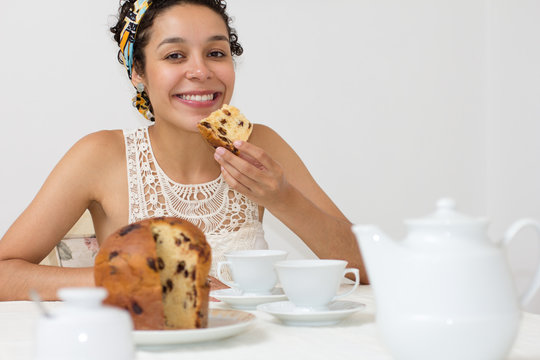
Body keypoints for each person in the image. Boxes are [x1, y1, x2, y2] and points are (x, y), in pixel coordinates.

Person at [0, 0, 367, 301]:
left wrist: (284, 198)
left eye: (216, 52)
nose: (200, 70)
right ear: (138, 72)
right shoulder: (100, 156)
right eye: (175, 55)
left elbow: (367, 268)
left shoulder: (260, 145)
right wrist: (127, 280)